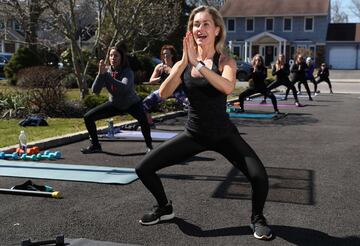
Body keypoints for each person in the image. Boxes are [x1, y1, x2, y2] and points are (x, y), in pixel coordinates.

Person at [135, 6, 272, 240]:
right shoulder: (185, 64)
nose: (200, 28)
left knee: (260, 177)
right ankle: (165, 207)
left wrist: (199, 64)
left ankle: (257, 218)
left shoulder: (225, 61)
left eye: (206, 24)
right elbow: (164, 93)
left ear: (217, 30)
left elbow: (227, 87)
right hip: (194, 134)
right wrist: (183, 63)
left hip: (223, 134)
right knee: (143, 168)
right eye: (196, 24)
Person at [81, 46, 153, 154]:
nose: (113, 58)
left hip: (132, 103)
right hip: (115, 104)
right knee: (88, 117)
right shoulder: (106, 71)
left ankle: (150, 147)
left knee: (143, 120)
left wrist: (107, 76)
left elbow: (124, 87)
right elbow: (95, 90)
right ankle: (95, 145)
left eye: (116, 55)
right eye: (111, 55)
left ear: (121, 58)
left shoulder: (127, 72)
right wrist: (100, 74)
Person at [143, 45, 188, 127]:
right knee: (145, 103)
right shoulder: (159, 67)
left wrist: (170, 71)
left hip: (177, 89)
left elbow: (183, 78)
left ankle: (195, 125)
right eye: (164, 54)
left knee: (190, 103)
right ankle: (149, 123)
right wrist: (160, 78)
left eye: (167, 54)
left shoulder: (177, 65)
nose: (165, 56)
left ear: (172, 55)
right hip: (164, 90)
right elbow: (151, 80)